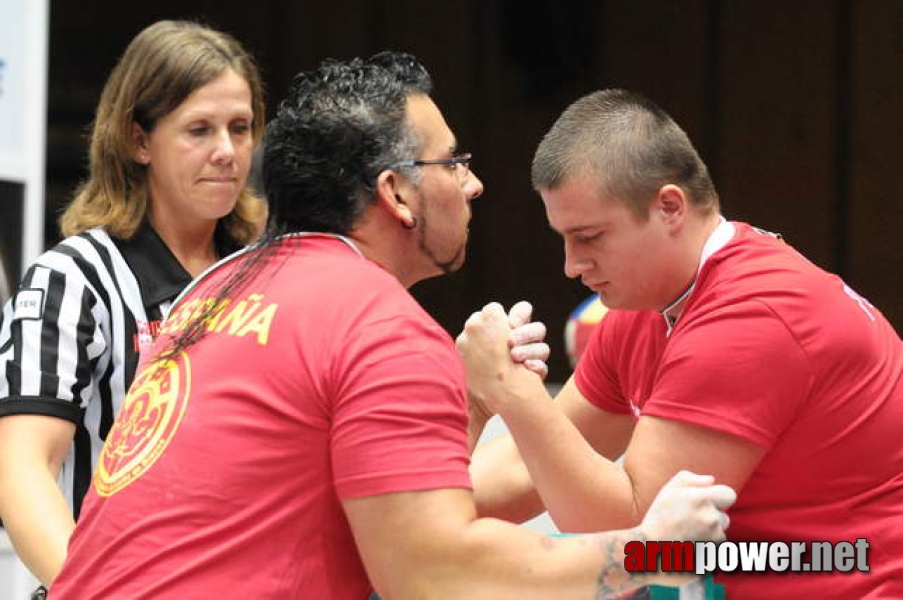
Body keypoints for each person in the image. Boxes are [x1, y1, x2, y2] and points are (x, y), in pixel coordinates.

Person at [49, 53, 735, 599]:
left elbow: (375, 516)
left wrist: (470, 400)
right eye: (452, 163)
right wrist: (646, 551)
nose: (471, 185)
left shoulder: (213, 291)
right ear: (397, 194)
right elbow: (432, 576)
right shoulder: (380, 326)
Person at [460, 88, 903, 599]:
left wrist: (511, 392)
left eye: (590, 237)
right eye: (564, 238)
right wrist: (399, 508)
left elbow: (632, 530)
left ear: (670, 207)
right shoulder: (648, 306)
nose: (571, 265)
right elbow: (522, 470)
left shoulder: (750, 317)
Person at [0, 19, 266, 588]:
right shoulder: (73, 279)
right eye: (199, 129)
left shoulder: (274, 273)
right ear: (137, 139)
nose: (226, 151)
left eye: (240, 128)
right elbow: (21, 471)